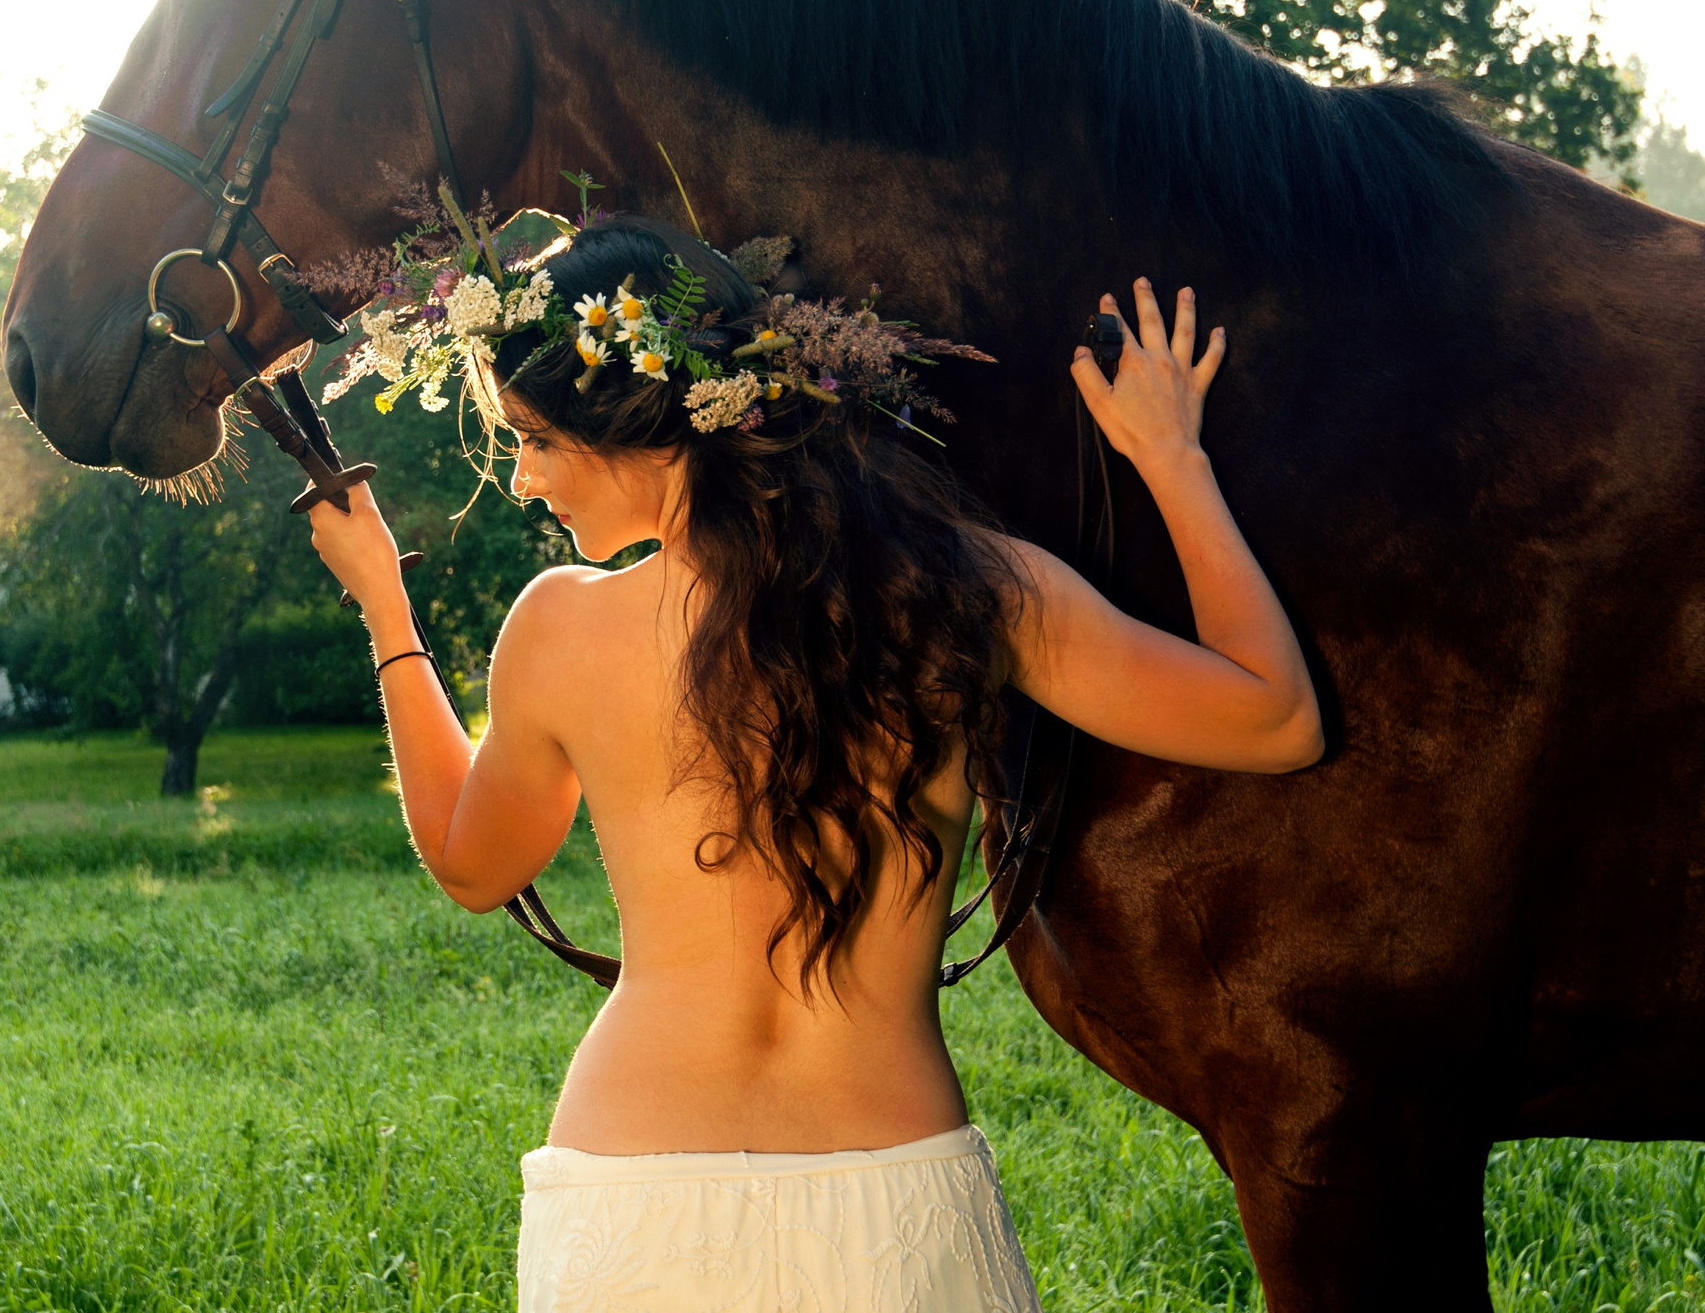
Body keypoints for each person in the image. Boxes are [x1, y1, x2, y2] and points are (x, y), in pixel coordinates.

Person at [306, 214, 1321, 1312]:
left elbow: (473, 865)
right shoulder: (962, 589)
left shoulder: (557, 629)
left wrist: (387, 614)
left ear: (648, 429)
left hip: (632, 1201)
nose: (521, 478)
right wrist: (1171, 458)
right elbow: (1274, 718)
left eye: (536, 438)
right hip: (893, 1203)